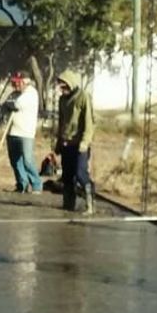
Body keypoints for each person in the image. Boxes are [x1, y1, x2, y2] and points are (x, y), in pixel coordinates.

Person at [55, 70, 95, 214]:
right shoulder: (62, 100)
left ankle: (90, 204)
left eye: (64, 86)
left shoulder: (83, 97)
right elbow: (61, 122)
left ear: (70, 84)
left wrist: (85, 142)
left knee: (81, 174)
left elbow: (89, 122)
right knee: (67, 175)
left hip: (80, 144)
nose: (62, 89)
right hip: (67, 143)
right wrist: (59, 142)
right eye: (60, 86)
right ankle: (68, 203)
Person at [3, 71, 42, 194]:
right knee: (15, 160)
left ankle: (36, 184)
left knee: (27, 160)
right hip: (12, 131)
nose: (15, 85)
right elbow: (5, 105)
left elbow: (16, 105)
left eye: (17, 82)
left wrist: (9, 104)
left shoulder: (31, 93)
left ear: (25, 82)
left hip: (26, 132)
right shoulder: (14, 93)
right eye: (14, 82)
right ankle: (22, 184)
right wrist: (8, 105)